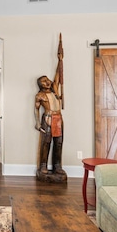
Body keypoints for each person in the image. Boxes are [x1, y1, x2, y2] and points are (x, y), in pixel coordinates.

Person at [34, 39, 65, 175]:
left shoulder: (55, 91)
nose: (47, 81)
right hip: (47, 118)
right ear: (41, 85)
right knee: (46, 143)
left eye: (47, 79)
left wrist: (60, 60)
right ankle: (43, 165)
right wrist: (36, 122)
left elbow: (58, 75)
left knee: (58, 142)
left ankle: (57, 165)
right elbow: (35, 109)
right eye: (44, 81)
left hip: (58, 117)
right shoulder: (40, 95)